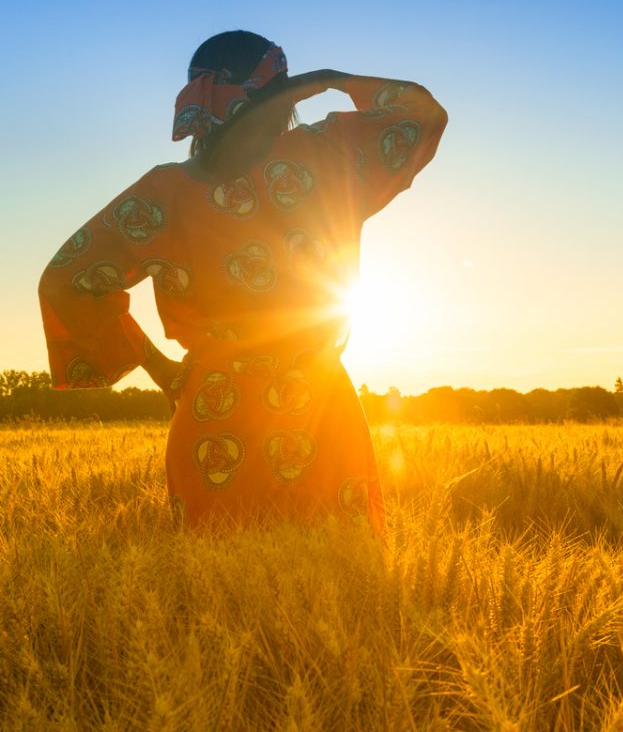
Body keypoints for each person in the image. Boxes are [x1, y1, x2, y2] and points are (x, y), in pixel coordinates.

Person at [38, 30, 447, 531]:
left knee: (221, 590)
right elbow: (422, 115)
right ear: (280, 96)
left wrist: (163, 371)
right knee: (342, 586)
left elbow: (67, 281)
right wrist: (332, 81)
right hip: (318, 410)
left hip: (214, 419)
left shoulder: (163, 193)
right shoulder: (327, 155)